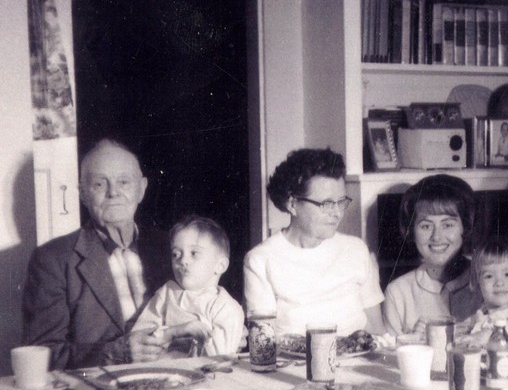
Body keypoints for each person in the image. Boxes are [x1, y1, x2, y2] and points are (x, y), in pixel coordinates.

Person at [22, 139, 178, 369]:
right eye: (99, 184)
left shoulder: (171, 248)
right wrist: (115, 353)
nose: (113, 193)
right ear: (83, 194)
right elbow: (40, 354)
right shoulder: (52, 259)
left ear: (141, 189)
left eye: (124, 182)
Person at [243, 148, 385, 336]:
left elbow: (377, 331)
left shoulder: (356, 249)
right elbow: (264, 342)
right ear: (292, 204)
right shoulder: (260, 260)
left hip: (358, 361)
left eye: (341, 202)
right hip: (294, 364)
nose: (337, 213)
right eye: (326, 204)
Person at [383, 174, 482, 336]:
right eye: (426, 226)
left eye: (448, 224)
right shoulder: (397, 293)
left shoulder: (486, 280)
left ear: (466, 226)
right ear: (411, 231)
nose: (437, 237)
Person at [131, 215, 245, 357]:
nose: (183, 260)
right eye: (176, 254)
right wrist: (175, 331)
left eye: (194, 253)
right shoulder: (167, 292)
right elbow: (140, 338)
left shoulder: (226, 307)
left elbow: (219, 357)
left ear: (220, 265)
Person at [459, 236, 508, 355]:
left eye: (507, 274)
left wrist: (489, 335)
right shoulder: (475, 319)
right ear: (477, 283)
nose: (499, 282)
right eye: (489, 276)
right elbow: (459, 336)